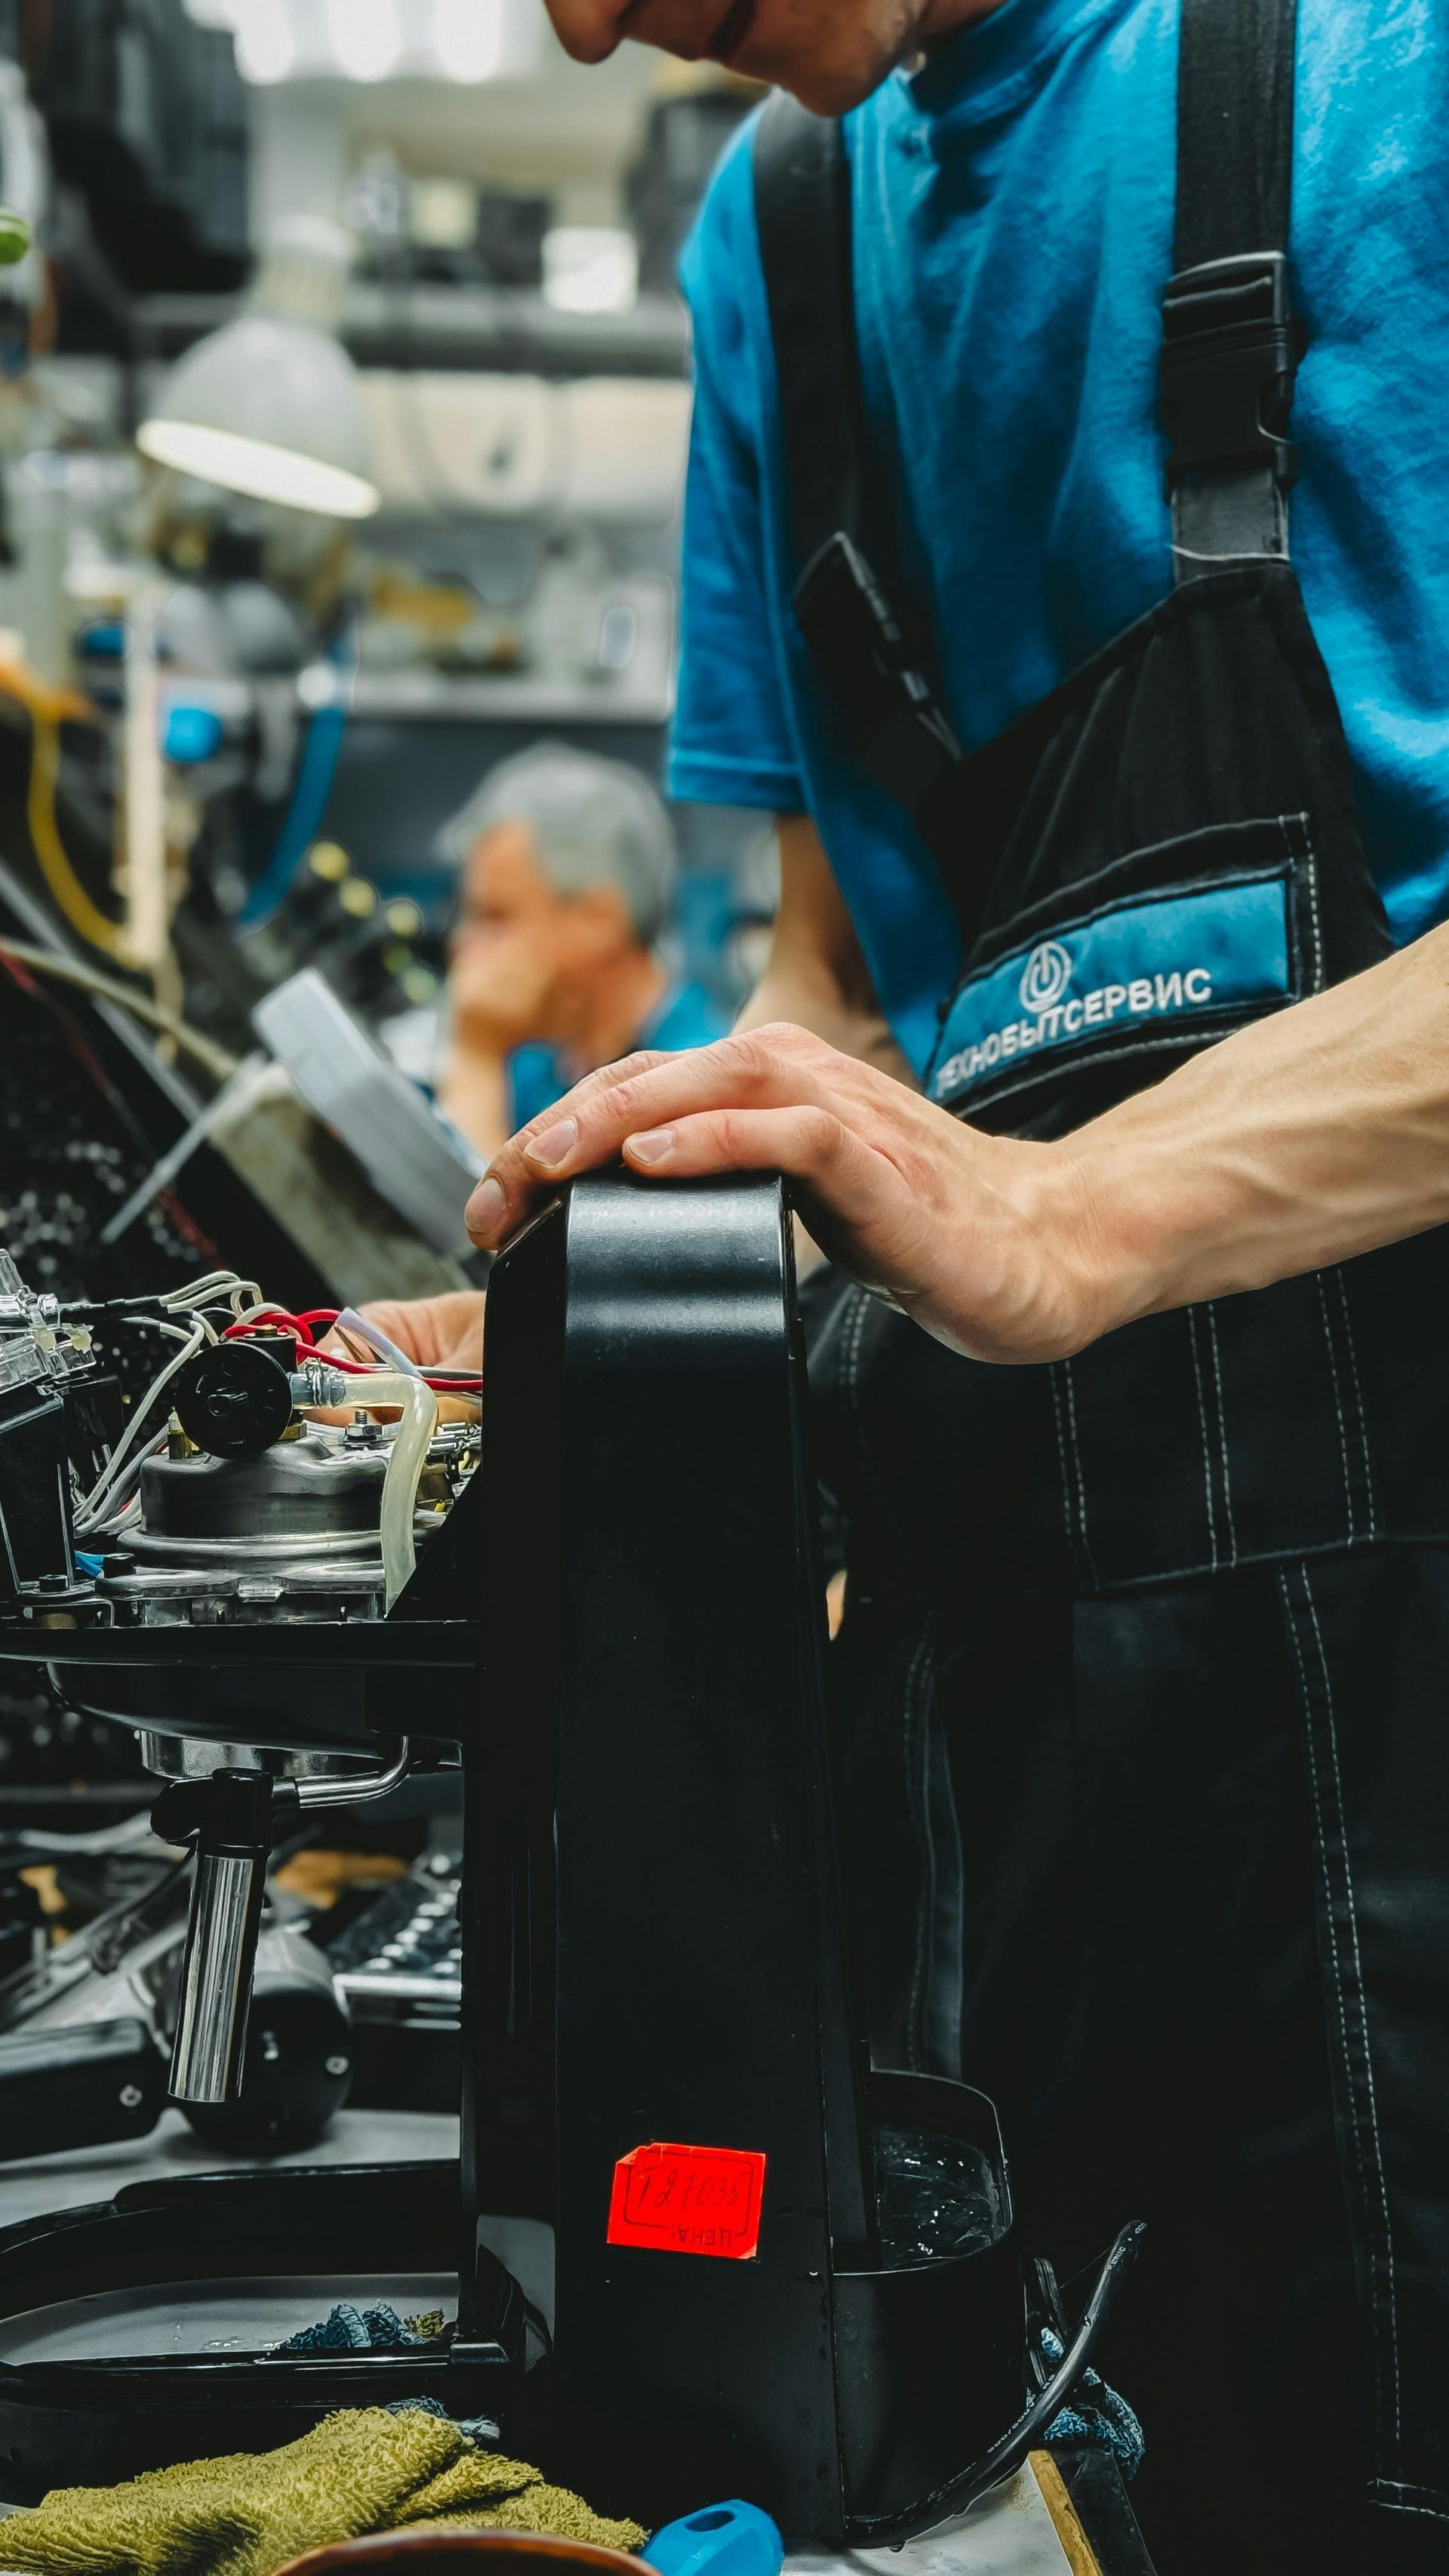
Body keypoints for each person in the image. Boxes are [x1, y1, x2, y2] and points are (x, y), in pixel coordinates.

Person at [407, 5, 1449, 2568]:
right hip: (1030, 1721)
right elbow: (852, 983)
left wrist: (1072, 1215)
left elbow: (1018, 1173)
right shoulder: (780, 238)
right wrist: (619, 1250)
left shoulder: (1384, 75)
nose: (577, 23)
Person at [434, 742, 726, 1159]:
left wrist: (476, 1056)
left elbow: (468, 1222)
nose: (464, 943)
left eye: (494, 917)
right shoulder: (535, 1065)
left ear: (598, 921)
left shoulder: (695, 1086)